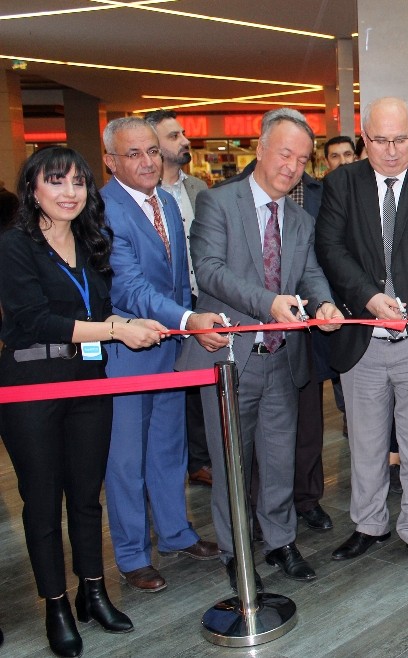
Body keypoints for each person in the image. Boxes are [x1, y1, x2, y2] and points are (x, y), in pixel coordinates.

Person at [0, 147, 165, 656]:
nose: (70, 193)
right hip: (32, 384)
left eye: (77, 183)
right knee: (44, 500)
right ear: (33, 189)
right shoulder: (13, 246)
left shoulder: (93, 242)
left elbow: (104, 304)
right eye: (56, 182)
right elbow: (34, 320)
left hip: (89, 377)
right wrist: (115, 329)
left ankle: (93, 591)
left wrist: (131, 324)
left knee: (86, 494)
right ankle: (56, 604)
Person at [175, 108, 342, 589]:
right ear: (261, 148)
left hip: (283, 359)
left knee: (278, 458)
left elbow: (309, 274)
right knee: (232, 463)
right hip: (230, 359)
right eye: (285, 153)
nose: (292, 166)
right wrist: (269, 303)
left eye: (302, 159)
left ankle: (281, 541)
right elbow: (208, 270)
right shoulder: (217, 203)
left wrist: (325, 304)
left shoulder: (300, 218)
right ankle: (236, 550)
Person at [316, 97, 408, 573]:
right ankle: (368, 524)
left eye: (400, 139)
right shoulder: (342, 182)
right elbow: (330, 247)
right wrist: (365, 297)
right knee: (365, 441)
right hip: (364, 338)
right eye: (380, 140)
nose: (391, 150)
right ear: (365, 140)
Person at [101, 117, 223, 593]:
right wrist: (189, 320)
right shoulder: (105, 210)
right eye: (134, 154)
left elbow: (179, 280)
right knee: (126, 460)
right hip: (128, 353)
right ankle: (133, 555)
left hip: (171, 349)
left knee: (169, 450)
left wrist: (189, 322)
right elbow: (130, 287)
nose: (149, 161)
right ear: (111, 161)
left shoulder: (168, 204)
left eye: (152, 150)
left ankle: (175, 533)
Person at [143, 109, 214, 489]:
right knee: (169, 388)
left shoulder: (198, 189)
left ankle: (200, 459)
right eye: (173, 136)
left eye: (182, 133)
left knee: (199, 381)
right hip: (162, 305)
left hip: (201, 297)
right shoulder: (146, 196)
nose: (184, 140)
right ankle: (179, 463)